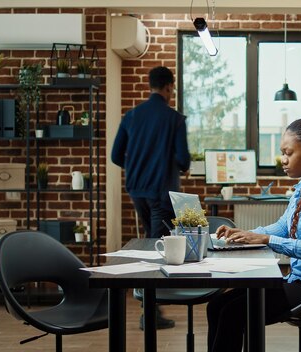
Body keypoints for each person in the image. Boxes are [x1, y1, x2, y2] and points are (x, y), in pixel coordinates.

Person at [207, 118, 301, 352]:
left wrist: (267, 240)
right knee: (216, 305)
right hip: (298, 279)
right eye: (282, 153)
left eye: (288, 152)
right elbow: (282, 226)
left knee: (232, 313)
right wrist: (245, 233)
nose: (283, 159)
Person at [111, 66, 190, 330]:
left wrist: (136, 166)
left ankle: (151, 307)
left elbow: (115, 156)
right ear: (169, 87)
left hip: (137, 190)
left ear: (149, 86)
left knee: (151, 243)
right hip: (161, 191)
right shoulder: (174, 119)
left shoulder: (131, 116)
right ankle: (150, 312)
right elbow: (183, 159)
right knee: (158, 248)